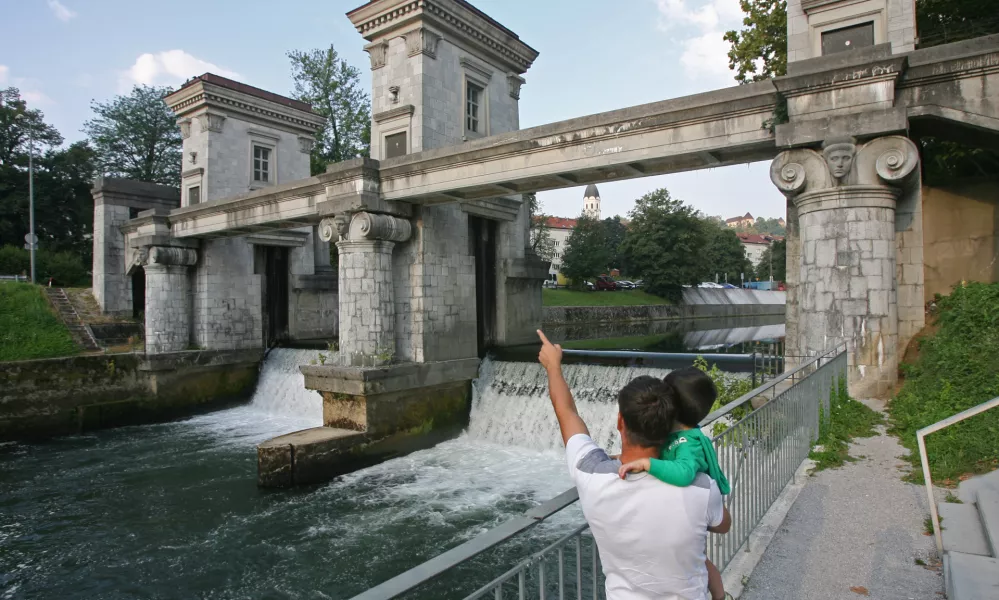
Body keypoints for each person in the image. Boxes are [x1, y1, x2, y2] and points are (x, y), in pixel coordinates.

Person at [537, 330, 731, 600]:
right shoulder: (700, 486)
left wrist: (553, 366)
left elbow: (566, 412)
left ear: (620, 422)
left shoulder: (590, 472)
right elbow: (723, 525)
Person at [617, 367, 731, 600]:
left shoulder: (688, 443)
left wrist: (649, 464)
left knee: (701, 562)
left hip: (696, 510)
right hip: (688, 512)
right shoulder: (683, 434)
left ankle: (720, 597)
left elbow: (683, 474)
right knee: (698, 560)